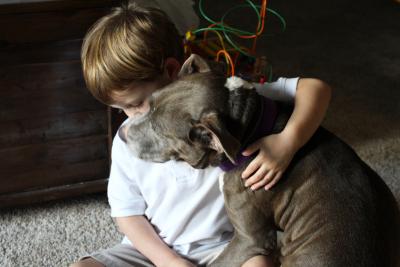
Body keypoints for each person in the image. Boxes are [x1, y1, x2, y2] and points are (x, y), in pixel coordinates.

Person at [71, 3, 331, 267]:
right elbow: (127, 214)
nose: (130, 117)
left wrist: (287, 141)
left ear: (173, 71)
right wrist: (169, 261)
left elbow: (314, 88)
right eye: (121, 109)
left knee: (259, 264)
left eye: (136, 103)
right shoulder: (129, 140)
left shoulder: (225, 104)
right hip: (155, 252)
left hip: (228, 246)